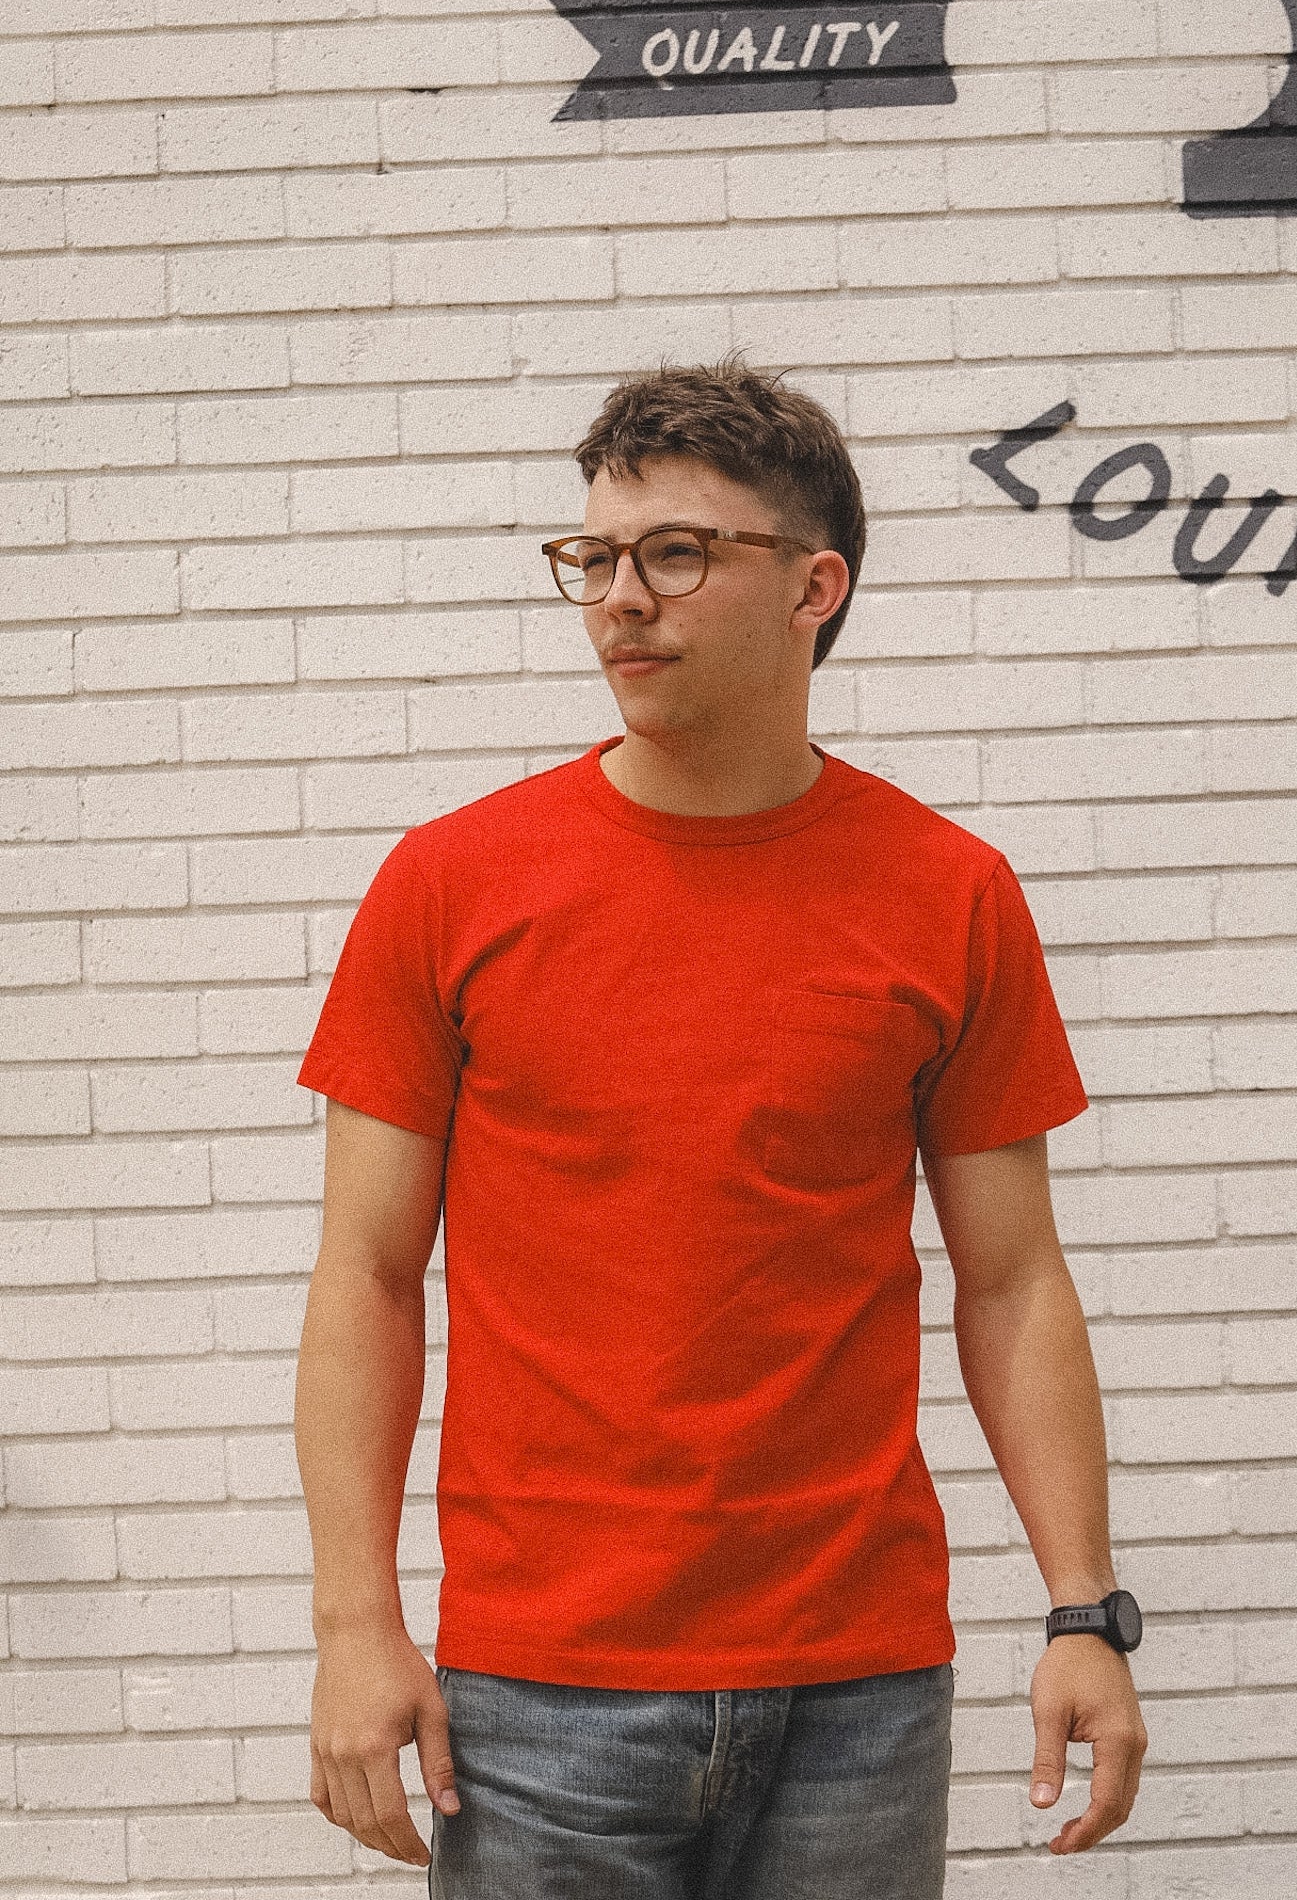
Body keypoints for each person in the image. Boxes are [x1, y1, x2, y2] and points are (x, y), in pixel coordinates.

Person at [293, 360, 1148, 1899]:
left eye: (676, 553)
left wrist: (1081, 1608)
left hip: (858, 1685)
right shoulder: (450, 887)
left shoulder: (947, 894)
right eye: (594, 560)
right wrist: (358, 1628)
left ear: (814, 586)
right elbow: (363, 1274)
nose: (621, 599)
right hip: (537, 1691)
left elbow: (1013, 1278)